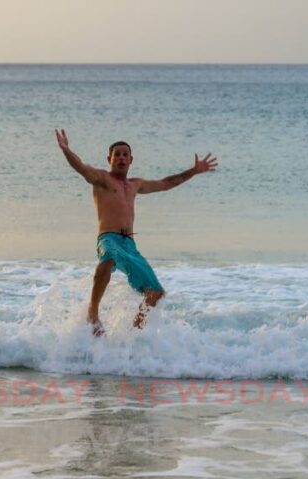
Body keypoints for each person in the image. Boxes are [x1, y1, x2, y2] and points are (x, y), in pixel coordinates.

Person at [55, 129, 218, 335]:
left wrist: (193, 171)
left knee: (156, 292)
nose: (121, 157)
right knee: (109, 258)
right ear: (110, 159)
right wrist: (66, 149)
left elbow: (166, 183)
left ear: (131, 160)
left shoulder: (135, 185)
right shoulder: (102, 179)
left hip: (129, 245)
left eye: (125, 154)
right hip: (109, 239)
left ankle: (133, 334)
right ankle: (93, 313)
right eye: (117, 154)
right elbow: (80, 167)